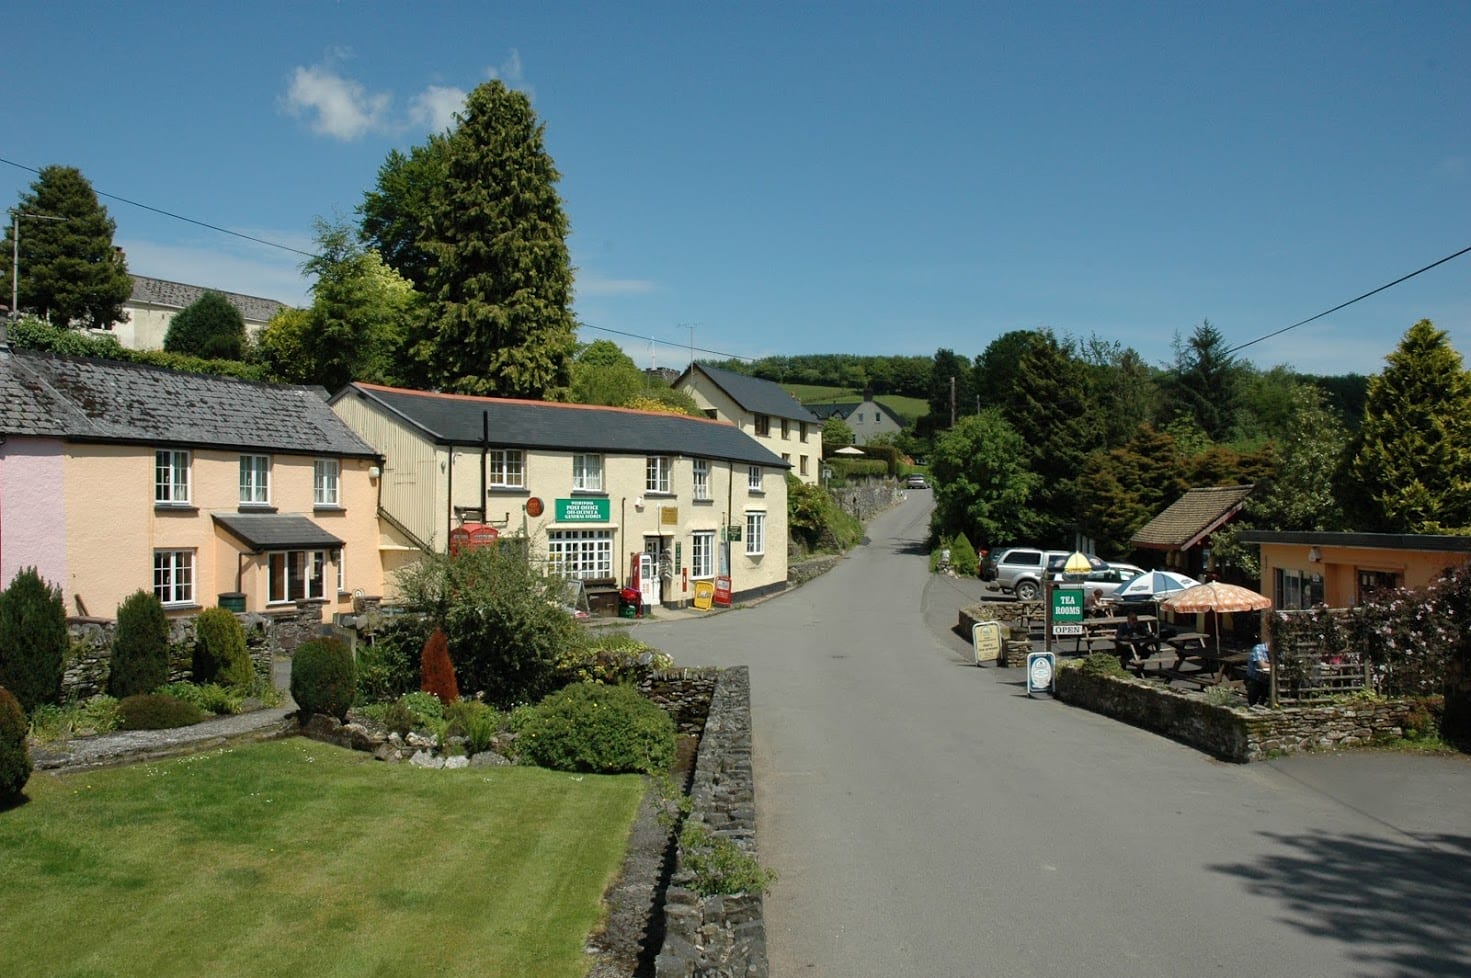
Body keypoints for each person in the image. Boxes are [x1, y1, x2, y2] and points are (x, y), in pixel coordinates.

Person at [1246, 642, 1272, 708]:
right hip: (1255, 678)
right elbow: (1262, 665)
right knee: (1253, 700)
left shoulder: (1277, 650)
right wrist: (1275, 665)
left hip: (1267, 679)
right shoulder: (1258, 648)